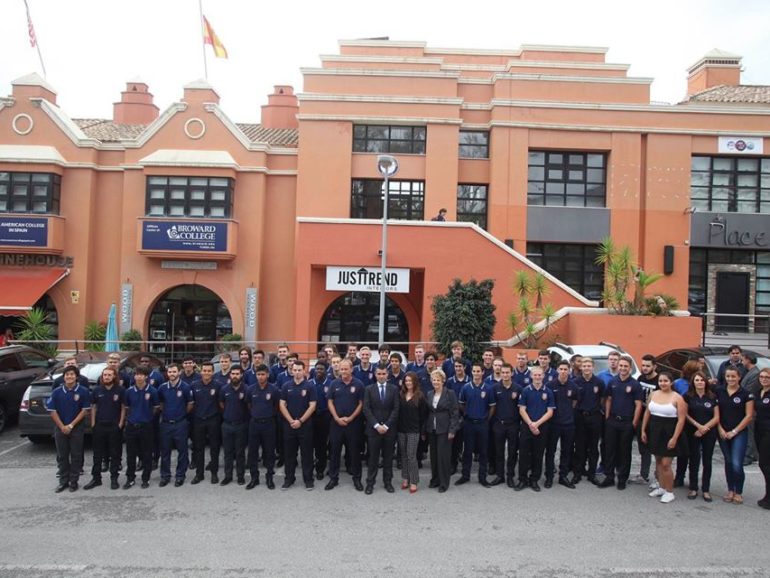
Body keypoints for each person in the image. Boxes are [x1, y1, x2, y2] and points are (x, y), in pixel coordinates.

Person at [641, 372, 687, 504]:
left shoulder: (677, 398)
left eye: (665, 381)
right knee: (659, 461)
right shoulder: (653, 394)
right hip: (655, 431)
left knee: (667, 464)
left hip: (670, 432)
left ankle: (669, 491)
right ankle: (661, 487)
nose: (662, 383)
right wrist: (644, 429)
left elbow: (681, 420)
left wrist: (674, 438)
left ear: (671, 382)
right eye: (660, 381)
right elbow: (647, 413)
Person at [599, 355, 643, 490]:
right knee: (610, 450)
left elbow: (638, 405)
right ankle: (609, 477)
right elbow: (608, 400)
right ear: (618, 366)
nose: (623, 368)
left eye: (626, 366)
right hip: (612, 421)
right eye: (621, 366)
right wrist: (607, 417)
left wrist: (634, 423)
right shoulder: (613, 381)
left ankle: (622, 478)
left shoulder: (635, 384)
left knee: (624, 451)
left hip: (627, 423)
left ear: (630, 368)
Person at [47, 366, 91, 492]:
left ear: (76, 376)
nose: (69, 377)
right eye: (67, 374)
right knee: (62, 455)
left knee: (76, 455)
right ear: (63, 377)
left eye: (72, 374)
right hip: (60, 428)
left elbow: (85, 410)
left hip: (76, 428)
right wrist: (62, 426)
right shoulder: (57, 392)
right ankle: (63, 481)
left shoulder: (83, 391)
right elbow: (52, 411)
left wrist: (71, 425)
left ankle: (73, 481)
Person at [716, 367, 755, 504]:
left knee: (737, 463)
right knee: (728, 462)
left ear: (739, 377)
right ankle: (730, 490)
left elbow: (749, 416)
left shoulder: (746, 394)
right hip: (722, 432)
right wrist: (720, 429)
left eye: (733, 376)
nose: (730, 379)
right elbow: (716, 413)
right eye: (728, 376)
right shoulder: (719, 391)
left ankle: (738, 491)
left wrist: (735, 431)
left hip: (739, 433)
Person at [326, 358, 365, 491]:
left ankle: (357, 479)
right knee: (334, 452)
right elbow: (330, 401)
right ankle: (333, 478)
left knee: (354, 452)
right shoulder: (334, 383)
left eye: (346, 369)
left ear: (351, 369)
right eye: (341, 369)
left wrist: (351, 418)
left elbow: (361, 403)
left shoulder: (359, 384)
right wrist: (336, 418)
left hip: (353, 424)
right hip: (336, 424)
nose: (343, 371)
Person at [84, 367, 125, 491]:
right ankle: (96, 478)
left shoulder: (120, 390)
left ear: (114, 376)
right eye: (105, 375)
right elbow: (93, 407)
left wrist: (120, 423)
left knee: (115, 454)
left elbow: (123, 407)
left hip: (114, 426)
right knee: (97, 454)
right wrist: (93, 423)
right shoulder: (97, 390)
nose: (106, 377)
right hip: (99, 426)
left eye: (109, 375)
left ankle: (114, 478)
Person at [515, 365, 555, 492]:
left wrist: (537, 424)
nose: (537, 377)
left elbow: (550, 412)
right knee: (523, 454)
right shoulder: (526, 391)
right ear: (531, 376)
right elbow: (522, 409)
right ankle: (522, 479)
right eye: (535, 375)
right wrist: (531, 424)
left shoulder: (548, 392)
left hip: (542, 428)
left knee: (538, 455)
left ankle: (534, 480)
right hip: (527, 427)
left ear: (543, 376)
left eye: (540, 375)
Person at [279, 360, 317, 490]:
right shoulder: (286, 386)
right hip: (289, 426)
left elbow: (312, 406)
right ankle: (289, 479)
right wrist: (291, 421)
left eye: (299, 370)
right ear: (291, 371)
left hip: (305, 426)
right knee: (289, 455)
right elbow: (282, 405)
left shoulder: (310, 386)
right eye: (294, 370)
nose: (297, 372)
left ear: (304, 371)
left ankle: (308, 480)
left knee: (307, 454)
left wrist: (300, 421)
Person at [456, 362, 496, 487]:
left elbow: (492, 407)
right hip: (469, 423)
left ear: (483, 372)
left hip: (483, 424)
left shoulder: (488, 388)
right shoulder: (466, 388)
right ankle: (465, 475)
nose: (476, 373)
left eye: (479, 371)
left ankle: (482, 477)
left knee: (483, 452)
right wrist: (468, 414)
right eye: (474, 371)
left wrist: (485, 419)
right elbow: (461, 404)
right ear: (471, 372)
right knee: (467, 451)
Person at [684, 370, 719, 502]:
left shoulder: (712, 396)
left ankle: (706, 489)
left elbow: (717, 416)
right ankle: (693, 487)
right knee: (694, 460)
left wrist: (705, 428)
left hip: (709, 432)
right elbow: (685, 414)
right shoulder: (688, 396)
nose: (699, 382)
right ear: (693, 382)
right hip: (693, 431)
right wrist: (698, 426)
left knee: (707, 461)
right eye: (697, 380)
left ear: (706, 382)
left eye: (702, 380)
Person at [363, 365, 399, 494]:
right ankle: (370, 483)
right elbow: (366, 409)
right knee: (373, 458)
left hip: (389, 430)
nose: (381, 376)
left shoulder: (394, 389)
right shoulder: (369, 389)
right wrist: (377, 425)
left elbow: (396, 409)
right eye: (379, 374)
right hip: (374, 430)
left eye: (384, 373)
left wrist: (387, 425)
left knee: (388, 458)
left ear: (387, 374)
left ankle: (388, 482)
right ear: (375, 375)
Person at [544, 361, 580, 489]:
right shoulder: (549, 385)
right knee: (550, 451)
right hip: (553, 424)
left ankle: (563, 476)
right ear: (557, 370)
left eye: (566, 369)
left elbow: (574, 402)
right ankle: (549, 477)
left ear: (569, 371)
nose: (563, 371)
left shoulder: (573, 386)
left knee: (566, 451)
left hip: (568, 424)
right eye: (561, 369)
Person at [123, 366, 159, 489]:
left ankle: (145, 478)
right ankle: (130, 478)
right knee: (131, 454)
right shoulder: (129, 391)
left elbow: (155, 407)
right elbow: (127, 408)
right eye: (136, 374)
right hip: (132, 426)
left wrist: (147, 417)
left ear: (146, 377)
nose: (138, 377)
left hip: (146, 426)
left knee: (147, 453)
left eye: (141, 375)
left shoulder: (153, 391)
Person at [157, 364, 193, 487]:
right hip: (166, 424)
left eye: (174, 372)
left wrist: (180, 414)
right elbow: (160, 404)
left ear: (179, 372)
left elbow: (190, 404)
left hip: (180, 423)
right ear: (167, 373)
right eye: (170, 372)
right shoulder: (162, 388)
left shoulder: (185, 387)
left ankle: (180, 476)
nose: (172, 374)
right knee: (165, 451)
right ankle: (165, 476)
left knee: (182, 451)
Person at [425, 369, 459, 493]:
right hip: (432, 429)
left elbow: (455, 413)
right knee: (433, 456)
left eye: (438, 380)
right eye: (434, 380)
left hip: (445, 429)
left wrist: (452, 430)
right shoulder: (429, 394)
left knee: (443, 457)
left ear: (443, 381)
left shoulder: (450, 393)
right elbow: (427, 412)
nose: (436, 382)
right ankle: (435, 479)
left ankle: (444, 483)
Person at [246, 364, 278, 490]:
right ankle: (254, 478)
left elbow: (276, 406)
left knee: (269, 452)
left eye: (263, 374)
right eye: (258, 374)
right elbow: (248, 405)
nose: (260, 377)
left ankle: (269, 477)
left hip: (269, 423)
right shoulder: (250, 389)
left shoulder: (273, 389)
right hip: (254, 424)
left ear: (267, 375)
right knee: (253, 452)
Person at [572, 357, 604, 485]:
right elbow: (573, 401)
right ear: (581, 367)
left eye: (588, 366)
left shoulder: (599, 382)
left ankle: (592, 474)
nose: (586, 368)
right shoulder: (575, 382)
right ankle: (578, 473)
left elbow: (601, 399)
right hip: (580, 416)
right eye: (584, 366)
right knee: (579, 446)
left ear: (593, 367)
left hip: (594, 417)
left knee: (593, 447)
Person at [490, 362, 522, 487]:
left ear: (512, 373)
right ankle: (500, 476)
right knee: (499, 451)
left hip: (513, 425)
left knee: (513, 451)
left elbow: (521, 408)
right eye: (503, 372)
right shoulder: (495, 388)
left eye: (507, 372)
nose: (505, 375)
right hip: (499, 424)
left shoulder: (518, 389)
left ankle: (510, 476)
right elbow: (492, 407)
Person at [190, 361, 222, 485]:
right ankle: (199, 474)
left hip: (213, 420)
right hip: (198, 420)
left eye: (209, 371)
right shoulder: (194, 385)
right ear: (201, 371)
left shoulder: (218, 386)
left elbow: (221, 404)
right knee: (199, 448)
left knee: (214, 448)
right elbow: (191, 403)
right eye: (204, 370)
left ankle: (214, 473)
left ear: (212, 372)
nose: (206, 373)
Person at [219, 366, 250, 486]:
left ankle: (240, 476)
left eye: (237, 373)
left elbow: (249, 407)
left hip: (241, 425)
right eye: (233, 374)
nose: (235, 376)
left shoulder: (246, 389)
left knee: (240, 452)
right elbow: (221, 404)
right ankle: (228, 476)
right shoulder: (224, 389)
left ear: (241, 375)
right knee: (227, 452)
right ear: (230, 375)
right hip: (227, 425)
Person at [397, 372, 428, 493]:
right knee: (403, 455)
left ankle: (414, 481)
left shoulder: (420, 396)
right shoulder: (401, 394)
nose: (408, 383)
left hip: (414, 431)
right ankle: (405, 478)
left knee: (411, 456)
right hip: (401, 430)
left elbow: (423, 416)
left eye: (410, 381)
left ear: (415, 382)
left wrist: (423, 431)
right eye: (406, 381)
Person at [634, 354, 659, 485]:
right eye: (643, 365)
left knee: (656, 450)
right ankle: (644, 475)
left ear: (654, 366)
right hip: (641, 418)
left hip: (655, 421)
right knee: (643, 449)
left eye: (647, 366)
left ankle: (659, 477)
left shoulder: (659, 381)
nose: (644, 368)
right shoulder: (640, 378)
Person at [309, 360, 333, 480]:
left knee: (322, 445)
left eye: (321, 369)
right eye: (317, 368)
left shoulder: (331, 383)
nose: (318, 371)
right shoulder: (309, 383)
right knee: (309, 444)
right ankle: (309, 467)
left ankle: (320, 469)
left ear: (326, 370)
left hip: (325, 417)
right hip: (311, 417)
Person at [755, 367, 770, 510]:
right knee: (765, 464)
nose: (764, 379)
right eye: (762, 376)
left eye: (767, 377)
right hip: (759, 431)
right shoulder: (759, 393)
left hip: (768, 432)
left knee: (765, 464)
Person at [742, 352, 760, 465]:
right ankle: (753, 454)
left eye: (743, 359)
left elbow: (749, 391)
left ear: (748, 360)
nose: (742, 362)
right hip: (748, 406)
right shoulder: (749, 372)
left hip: (751, 407)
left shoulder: (755, 374)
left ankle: (750, 455)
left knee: (750, 431)